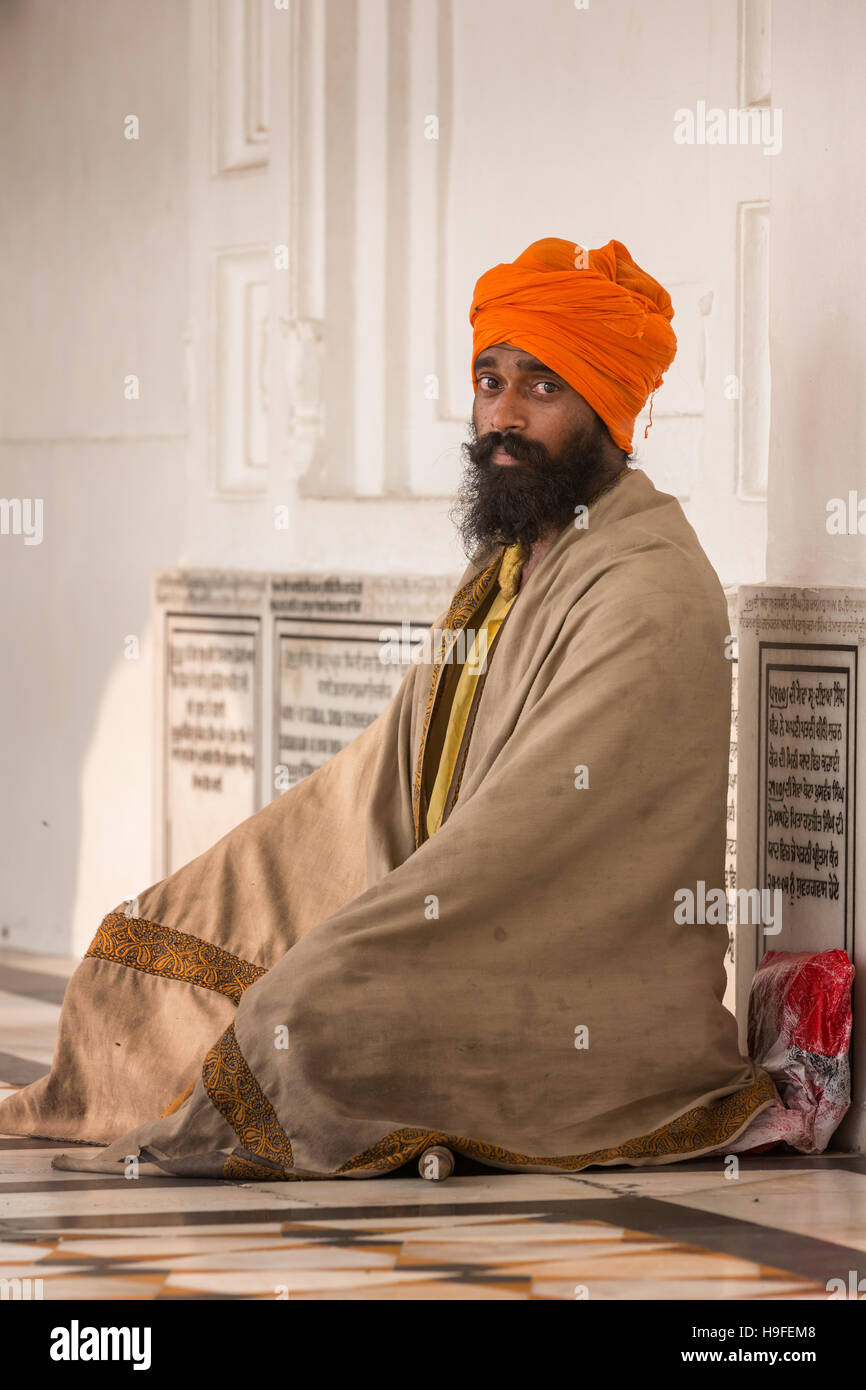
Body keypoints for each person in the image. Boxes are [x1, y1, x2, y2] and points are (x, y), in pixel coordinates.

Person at [0, 237, 774, 1179]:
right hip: (448, 913)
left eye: (543, 388)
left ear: (609, 411)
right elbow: (392, 772)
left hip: (567, 986)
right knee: (142, 960)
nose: (504, 416)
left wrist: (369, 943)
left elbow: (537, 836)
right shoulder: (514, 562)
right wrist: (281, 891)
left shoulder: (648, 585)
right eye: (491, 382)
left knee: (301, 1021)